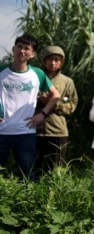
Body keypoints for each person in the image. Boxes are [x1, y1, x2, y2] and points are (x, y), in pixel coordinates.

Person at [0, 34, 60, 180]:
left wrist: (42, 114)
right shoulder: (1, 71)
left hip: (25, 132)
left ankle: (28, 203)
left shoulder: (37, 74)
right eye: (19, 47)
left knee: (28, 176)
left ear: (33, 54)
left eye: (26, 48)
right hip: (1, 132)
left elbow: (56, 95)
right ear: (13, 49)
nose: (22, 51)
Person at [35, 45, 78, 174]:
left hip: (57, 131)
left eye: (56, 60)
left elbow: (73, 104)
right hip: (34, 129)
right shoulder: (34, 77)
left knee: (56, 170)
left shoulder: (67, 81)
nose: (53, 63)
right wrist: (39, 100)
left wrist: (56, 104)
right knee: (34, 167)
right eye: (49, 59)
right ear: (44, 61)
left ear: (61, 62)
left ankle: (55, 194)